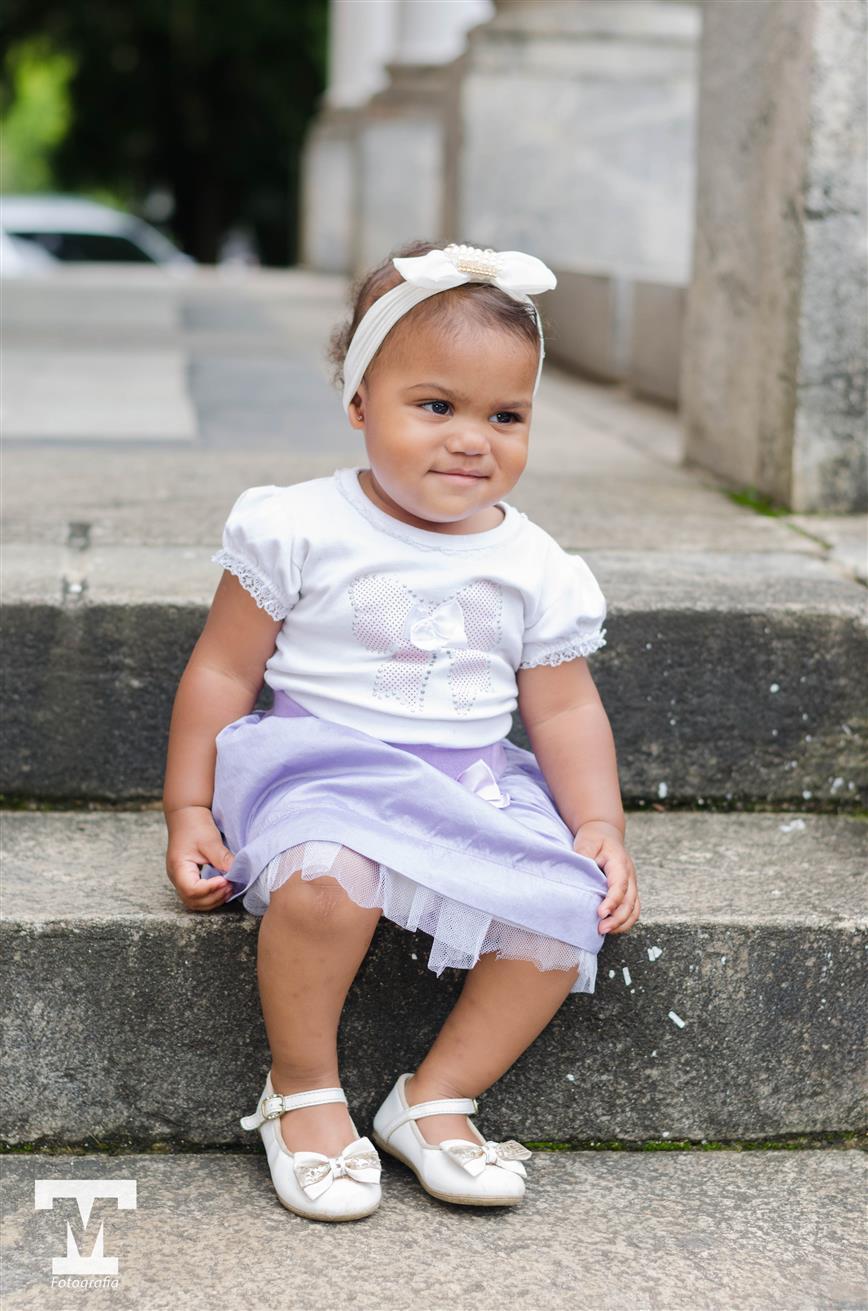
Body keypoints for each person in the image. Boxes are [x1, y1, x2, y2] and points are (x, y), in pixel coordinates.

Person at [163, 239, 640, 1223]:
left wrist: (600, 823)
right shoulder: (299, 527)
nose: (472, 440)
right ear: (358, 402)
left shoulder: (536, 565)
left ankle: (435, 1098)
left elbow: (563, 708)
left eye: (505, 416)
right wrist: (188, 807)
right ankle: (303, 1089)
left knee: (565, 906)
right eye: (436, 406)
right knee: (325, 882)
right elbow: (222, 669)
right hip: (319, 772)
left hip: (466, 781)